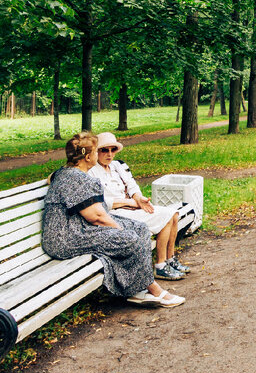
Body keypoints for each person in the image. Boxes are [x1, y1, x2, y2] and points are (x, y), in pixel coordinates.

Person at [41, 131, 183, 308]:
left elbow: (96, 213)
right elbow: (97, 218)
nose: (98, 154)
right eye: (95, 151)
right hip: (65, 238)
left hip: (79, 227)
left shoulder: (75, 173)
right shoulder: (75, 178)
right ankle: (152, 289)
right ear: (86, 156)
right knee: (130, 237)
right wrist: (120, 229)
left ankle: (137, 289)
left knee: (140, 228)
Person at [88, 131, 190, 280]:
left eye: (113, 150)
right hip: (114, 214)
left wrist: (139, 198)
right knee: (166, 216)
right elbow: (103, 203)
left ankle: (170, 259)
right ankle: (160, 266)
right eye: (104, 150)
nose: (109, 154)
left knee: (173, 213)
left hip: (130, 207)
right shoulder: (91, 171)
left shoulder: (116, 166)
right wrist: (130, 202)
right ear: (96, 151)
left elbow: (132, 185)